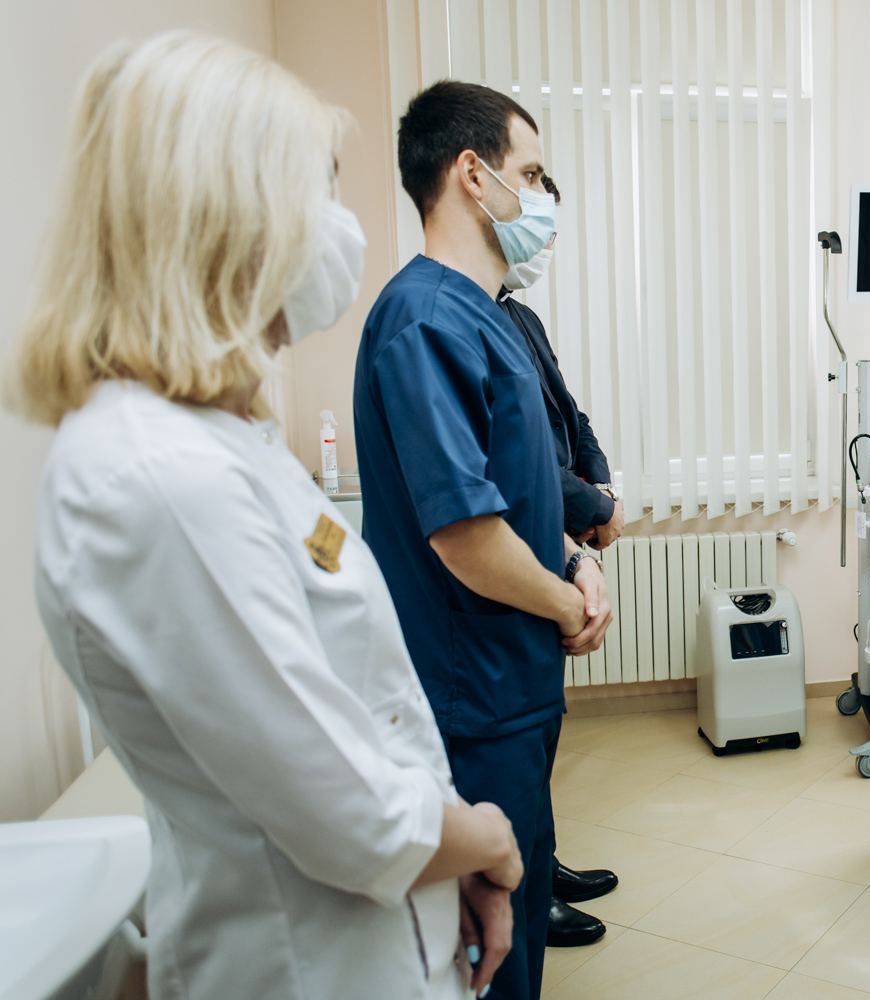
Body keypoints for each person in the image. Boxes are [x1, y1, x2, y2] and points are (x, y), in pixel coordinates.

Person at [8, 33, 525, 1000]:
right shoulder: (154, 474)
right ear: (224, 212)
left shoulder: (222, 439)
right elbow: (348, 810)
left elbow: (357, 714)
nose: (341, 227)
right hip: (308, 965)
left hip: (383, 929)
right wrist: (486, 838)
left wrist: (444, 859)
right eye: (318, 191)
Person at [353, 80, 612, 1000]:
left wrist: (576, 559)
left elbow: (519, 493)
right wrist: (567, 605)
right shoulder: (424, 320)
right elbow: (465, 536)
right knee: (489, 953)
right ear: (473, 174)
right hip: (472, 694)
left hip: (515, 683)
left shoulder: (487, 318)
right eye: (531, 175)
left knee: (523, 906)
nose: (543, 197)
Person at [494, 207, 622, 948]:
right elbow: (525, 460)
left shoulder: (522, 317)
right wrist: (593, 512)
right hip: (529, 546)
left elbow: (570, 419)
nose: (544, 245)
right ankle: (529, 892)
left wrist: (601, 490)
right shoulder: (462, 322)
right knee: (523, 745)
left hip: (560, 530)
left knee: (546, 730)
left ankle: (544, 867)